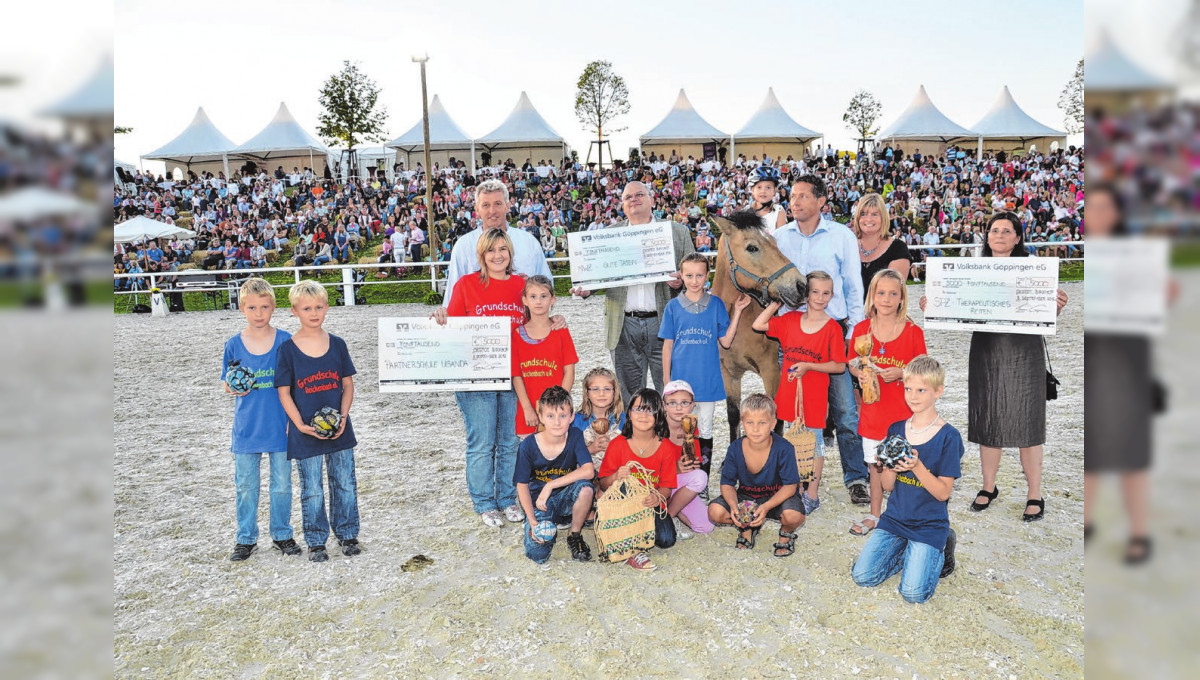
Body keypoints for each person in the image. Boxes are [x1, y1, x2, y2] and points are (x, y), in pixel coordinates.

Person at [919, 212, 1069, 521]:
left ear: (1017, 237)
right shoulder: (972, 270)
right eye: (994, 230)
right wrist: (934, 303)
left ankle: (1034, 493)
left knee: (1029, 422)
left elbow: (1046, 315)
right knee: (988, 419)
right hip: (986, 350)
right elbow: (954, 308)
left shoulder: (1034, 270)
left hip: (1025, 351)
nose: (999, 235)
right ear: (988, 237)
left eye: (1006, 230)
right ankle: (989, 486)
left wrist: (1055, 307)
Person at [1083, 185, 1178, 564]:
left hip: (1132, 362)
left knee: (1132, 455)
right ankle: (1088, 521)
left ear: (1117, 213)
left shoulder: (1140, 255)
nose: (1098, 214)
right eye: (1091, 208)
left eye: (1105, 207)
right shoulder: (1086, 256)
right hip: (1095, 362)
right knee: (1094, 451)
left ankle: (1139, 531)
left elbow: (1164, 299)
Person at [774, 174, 870, 506]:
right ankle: (790, 477)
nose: (794, 201)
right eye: (792, 195)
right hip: (793, 338)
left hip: (836, 332)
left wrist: (855, 335)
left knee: (845, 412)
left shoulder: (841, 236)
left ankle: (856, 477)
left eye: (802, 196)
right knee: (791, 410)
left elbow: (854, 286)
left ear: (821, 201)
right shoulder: (779, 237)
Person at [432, 228, 530, 527]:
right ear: (481, 255)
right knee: (482, 443)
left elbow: (537, 319)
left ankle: (507, 498)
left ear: (510, 252)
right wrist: (440, 318)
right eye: (491, 250)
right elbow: (454, 329)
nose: (498, 255)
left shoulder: (522, 284)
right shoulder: (467, 285)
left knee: (510, 442)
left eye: (503, 249)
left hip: (514, 376)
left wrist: (556, 319)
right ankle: (484, 502)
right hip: (476, 378)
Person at [569, 181, 694, 406]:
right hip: (623, 323)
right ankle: (635, 438)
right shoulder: (609, 235)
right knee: (629, 394)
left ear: (652, 200)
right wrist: (587, 287)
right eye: (628, 197)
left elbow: (696, 275)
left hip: (664, 321)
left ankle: (670, 437)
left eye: (639, 195)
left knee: (671, 390)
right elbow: (599, 274)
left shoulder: (678, 233)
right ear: (623, 206)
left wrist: (681, 283)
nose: (634, 200)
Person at [851, 355, 962, 603]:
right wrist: (889, 467)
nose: (913, 396)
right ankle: (909, 551)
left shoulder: (949, 437)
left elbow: (943, 493)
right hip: (896, 519)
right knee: (862, 576)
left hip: (928, 524)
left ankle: (941, 546)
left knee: (913, 594)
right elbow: (888, 486)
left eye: (921, 390)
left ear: (938, 391)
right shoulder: (896, 429)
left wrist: (918, 466)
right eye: (908, 388)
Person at [275, 280, 362, 563]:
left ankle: (348, 534)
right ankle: (315, 540)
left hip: (339, 429)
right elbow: (284, 392)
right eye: (306, 308)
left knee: (345, 483)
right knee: (312, 488)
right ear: (294, 311)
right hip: (305, 432)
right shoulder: (287, 350)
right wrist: (299, 424)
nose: (313, 313)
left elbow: (347, 385)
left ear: (326, 307)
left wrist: (343, 417)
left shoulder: (337, 344)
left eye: (318, 307)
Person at [751, 270, 848, 514]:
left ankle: (812, 494)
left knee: (814, 444)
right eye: (814, 291)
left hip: (813, 396)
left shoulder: (832, 328)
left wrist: (809, 366)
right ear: (806, 293)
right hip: (789, 393)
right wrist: (778, 302)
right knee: (792, 444)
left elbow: (839, 365)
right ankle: (794, 488)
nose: (820, 297)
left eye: (826, 293)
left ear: (832, 296)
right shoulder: (791, 319)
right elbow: (758, 324)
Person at [221, 278, 300, 561]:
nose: (258, 313)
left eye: (264, 307)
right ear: (242, 308)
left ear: (273, 308)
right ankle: (245, 538)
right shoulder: (233, 345)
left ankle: (281, 533)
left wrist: (295, 419)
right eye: (252, 307)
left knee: (281, 484)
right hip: (247, 429)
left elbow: (295, 384)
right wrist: (232, 387)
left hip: (280, 426)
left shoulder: (285, 341)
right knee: (245, 485)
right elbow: (225, 384)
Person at [848, 269, 927, 536]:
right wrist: (858, 371)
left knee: (903, 467)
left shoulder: (912, 331)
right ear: (872, 296)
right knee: (875, 466)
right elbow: (852, 362)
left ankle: (901, 514)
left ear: (902, 298)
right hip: (873, 412)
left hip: (903, 413)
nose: (886, 298)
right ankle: (874, 513)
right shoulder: (861, 329)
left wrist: (903, 373)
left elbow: (924, 370)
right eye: (881, 293)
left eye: (893, 293)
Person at [659, 252, 752, 477]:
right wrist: (666, 380)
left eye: (699, 275)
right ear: (681, 275)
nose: (694, 280)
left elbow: (726, 341)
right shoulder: (673, 307)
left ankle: (702, 480)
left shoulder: (716, 305)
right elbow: (668, 346)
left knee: (706, 430)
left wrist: (737, 311)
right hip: (681, 383)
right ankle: (682, 477)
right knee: (682, 431)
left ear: (706, 275)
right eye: (689, 275)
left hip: (707, 381)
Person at [706, 393, 805, 557]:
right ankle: (747, 527)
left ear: (773, 424)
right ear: (742, 423)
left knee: (793, 516)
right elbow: (727, 484)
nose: (756, 429)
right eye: (750, 422)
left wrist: (765, 508)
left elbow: (790, 486)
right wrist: (733, 506)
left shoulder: (784, 448)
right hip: (747, 499)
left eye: (762, 423)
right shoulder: (735, 448)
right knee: (715, 512)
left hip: (777, 499)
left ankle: (785, 534)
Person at [597, 388, 679, 571]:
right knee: (625, 485)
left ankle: (630, 536)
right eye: (638, 409)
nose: (644, 414)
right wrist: (616, 476)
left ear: (659, 416)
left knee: (667, 540)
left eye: (650, 410)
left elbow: (667, 487)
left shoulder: (665, 447)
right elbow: (602, 483)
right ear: (630, 414)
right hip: (623, 506)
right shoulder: (617, 445)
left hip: (649, 504)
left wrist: (658, 497)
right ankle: (631, 550)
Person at [514, 386, 595, 564]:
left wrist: (550, 485)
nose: (557, 422)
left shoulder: (575, 435)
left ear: (572, 416)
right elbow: (521, 485)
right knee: (538, 555)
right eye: (550, 416)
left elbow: (589, 470)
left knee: (586, 489)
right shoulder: (527, 445)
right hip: (540, 504)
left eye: (563, 415)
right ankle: (537, 525)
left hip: (566, 498)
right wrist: (532, 520)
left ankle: (574, 533)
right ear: (541, 416)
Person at [443, 180, 552, 303]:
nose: (492, 211)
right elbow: (453, 295)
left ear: (507, 206)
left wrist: (530, 286)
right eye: (486, 205)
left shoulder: (529, 242)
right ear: (477, 209)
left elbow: (547, 287)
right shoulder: (464, 245)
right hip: (480, 320)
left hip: (522, 319)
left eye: (498, 204)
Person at [512, 275, 578, 437]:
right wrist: (527, 408)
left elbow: (569, 371)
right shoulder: (517, 334)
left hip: (556, 413)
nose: (538, 301)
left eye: (543, 296)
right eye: (533, 297)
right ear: (525, 300)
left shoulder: (560, 331)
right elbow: (516, 375)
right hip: (528, 413)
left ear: (553, 299)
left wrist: (559, 405)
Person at [660, 380, 714, 539]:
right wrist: (676, 469)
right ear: (664, 406)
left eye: (684, 402)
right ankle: (669, 516)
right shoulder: (656, 428)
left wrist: (693, 465)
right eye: (672, 403)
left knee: (706, 527)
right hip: (659, 483)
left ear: (692, 405)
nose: (678, 407)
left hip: (678, 484)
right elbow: (651, 466)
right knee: (700, 477)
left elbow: (693, 463)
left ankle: (672, 510)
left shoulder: (691, 427)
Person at [853, 193, 912, 296]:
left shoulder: (897, 249)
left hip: (882, 311)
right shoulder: (846, 246)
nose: (869, 219)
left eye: (875, 214)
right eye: (863, 214)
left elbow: (893, 294)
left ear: (883, 217)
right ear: (857, 217)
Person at [573, 367, 626, 467]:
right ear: (587, 393)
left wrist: (613, 448)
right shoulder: (576, 421)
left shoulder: (624, 420)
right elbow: (567, 456)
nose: (601, 394)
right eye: (595, 389)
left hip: (615, 472)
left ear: (615, 392)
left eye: (607, 389)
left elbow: (633, 451)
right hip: (585, 474)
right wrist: (590, 449)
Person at [747, 165, 787, 235]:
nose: (763, 191)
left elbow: (781, 238)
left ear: (775, 191)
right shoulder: (746, 211)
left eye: (768, 187)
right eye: (759, 187)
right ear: (752, 190)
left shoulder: (778, 211)